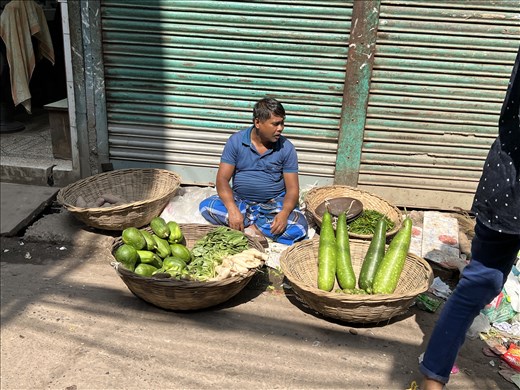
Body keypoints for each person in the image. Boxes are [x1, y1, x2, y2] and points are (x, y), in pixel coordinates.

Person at [419, 47, 520, 389]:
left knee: (477, 285)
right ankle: (433, 380)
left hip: (505, 185)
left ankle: (432, 380)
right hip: (509, 191)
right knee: (477, 286)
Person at [199, 97, 308, 245]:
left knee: (300, 227)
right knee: (207, 206)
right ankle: (253, 226)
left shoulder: (286, 147)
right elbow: (222, 180)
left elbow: (293, 189)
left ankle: (251, 227)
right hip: (241, 201)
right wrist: (232, 209)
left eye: (282, 123)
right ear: (257, 123)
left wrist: (283, 213)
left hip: (273, 204)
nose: (281, 128)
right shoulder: (236, 141)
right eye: (275, 124)